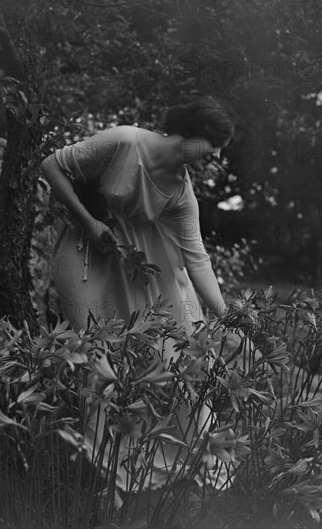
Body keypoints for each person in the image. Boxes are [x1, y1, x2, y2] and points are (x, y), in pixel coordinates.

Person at [40, 95, 235, 494]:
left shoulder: (182, 193)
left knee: (167, 352)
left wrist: (229, 316)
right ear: (190, 131)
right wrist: (90, 222)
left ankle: (156, 464)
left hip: (135, 266)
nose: (215, 156)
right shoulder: (125, 141)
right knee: (94, 355)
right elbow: (52, 166)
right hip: (86, 249)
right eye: (212, 145)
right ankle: (103, 469)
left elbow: (198, 260)